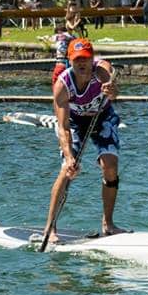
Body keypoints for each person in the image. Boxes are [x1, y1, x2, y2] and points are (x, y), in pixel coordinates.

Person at [42, 39, 122, 244]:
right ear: (70, 61)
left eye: (86, 58)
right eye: (77, 60)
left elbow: (112, 84)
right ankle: (50, 228)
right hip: (74, 123)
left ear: (92, 59)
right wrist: (69, 157)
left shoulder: (101, 72)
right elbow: (63, 127)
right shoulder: (62, 85)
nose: (82, 64)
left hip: (102, 117)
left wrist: (113, 92)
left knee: (110, 166)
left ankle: (108, 224)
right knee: (67, 171)